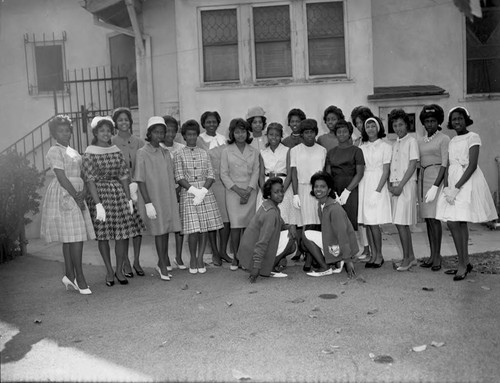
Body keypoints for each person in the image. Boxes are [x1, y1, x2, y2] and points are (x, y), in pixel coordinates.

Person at [436, 107, 498, 281]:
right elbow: (448, 165)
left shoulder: (473, 137)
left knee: (459, 220)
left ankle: (463, 264)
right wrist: (447, 187)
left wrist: (457, 188)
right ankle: (464, 261)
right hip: (453, 180)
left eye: (460, 118)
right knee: (453, 221)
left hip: (467, 181)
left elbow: (472, 165)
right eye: (454, 119)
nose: (457, 122)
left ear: (466, 119)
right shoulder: (452, 141)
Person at [82, 116, 145, 287]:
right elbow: (90, 180)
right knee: (103, 236)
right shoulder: (89, 152)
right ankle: (109, 270)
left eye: (108, 131)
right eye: (102, 130)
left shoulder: (116, 150)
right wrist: (97, 204)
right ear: (95, 132)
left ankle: (119, 270)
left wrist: (128, 198)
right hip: (100, 195)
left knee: (122, 235)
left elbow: (124, 175)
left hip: (117, 194)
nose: (105, 133)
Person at [40, 115, 95, 295]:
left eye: (67, 130)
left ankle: (69, 276)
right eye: (60, 131)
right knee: (75, 236)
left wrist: (84, 191)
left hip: (77, 192)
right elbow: (61, 176)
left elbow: (82, 173)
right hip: (65, 192)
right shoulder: (54, 151)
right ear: (54, 133)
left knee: (71, 236)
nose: (65, 133)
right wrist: (76, 197)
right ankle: (79, 277)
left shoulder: (73, 151)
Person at [134, 117, 182, 281]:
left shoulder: (165, 152)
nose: (159, 135)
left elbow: (170, 176)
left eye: (162, 132)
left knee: (165, 231)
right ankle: (162, 263)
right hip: (153, 198)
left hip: (166, 197)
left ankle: (163, 262)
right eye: (156, 132)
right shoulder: (142, 152)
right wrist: (148, 203)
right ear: (149, 133)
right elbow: (140, 179)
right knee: (159, 231)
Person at [174, 119, 224, 274]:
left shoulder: (203, 153)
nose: (191, 137)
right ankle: (193, 259)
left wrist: (202, 191)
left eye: (194, 134)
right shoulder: (178, 154)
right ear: (184, 136)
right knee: (193, 229)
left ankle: (201, 258)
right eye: (188, 135)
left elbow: (210, 174)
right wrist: (194, 191)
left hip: (204, 192)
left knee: (204, 228)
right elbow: (179, 176)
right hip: (189, 194)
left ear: (197, 135)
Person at [238, 178, 297, 283]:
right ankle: (268, 268)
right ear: (269, 195)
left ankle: (268, 265)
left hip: (248, 251)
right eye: (276, 192)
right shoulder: (271, 212)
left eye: (281, 191)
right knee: (290, 238)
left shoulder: (270, 206)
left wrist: (291, 226)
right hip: (252, 253)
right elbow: (262, 241)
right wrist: (256, 266)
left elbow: (282, 224)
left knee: (292, 246)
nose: (280, 194)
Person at [220, 118, 260, 270]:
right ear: (232, 133)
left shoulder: (254, 151)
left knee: (249, 226)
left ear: (247, 133)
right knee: (235, 226)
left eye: (243, 131)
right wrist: (239, 191)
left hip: (250, 191)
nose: (240, 134)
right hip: (233, 192)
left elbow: (256, 171)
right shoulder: (226, 151)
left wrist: (248, 191)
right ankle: (236, 257)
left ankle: (246, 256)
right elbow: (223, 174)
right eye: (237, 132)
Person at [302, 172, 358, 278]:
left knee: (306, 235)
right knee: (307, 237)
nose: (318, 189)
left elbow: (343, 235)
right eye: (316, 186)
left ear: (329, 190)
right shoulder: (322, 205)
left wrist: (348, 260)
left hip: (341, 245)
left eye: (322, 187)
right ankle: (337, 260)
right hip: (335, 244)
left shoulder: (334, 208)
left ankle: (325, 268)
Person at [111, 107, 145, 277]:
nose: (123, 122)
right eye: (120, 120)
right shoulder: (111, 142)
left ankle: (137, 260)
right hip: (119, 188)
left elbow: (143, 165)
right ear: (115, 123)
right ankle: (124, 262)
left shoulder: (139, 142)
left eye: (126, 119)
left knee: (137, 226)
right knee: (124, 227)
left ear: (131, 122)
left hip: (137, 186)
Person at [290, 119, 327, 271]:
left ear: (315, 132)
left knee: (317, 225)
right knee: (304, 226)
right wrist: (295, 194)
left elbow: (324, 174)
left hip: (317, 191)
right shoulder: (295, 150)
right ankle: (308, 255)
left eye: (311, 132)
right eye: (306, 132)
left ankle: (313, 257)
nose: (309, 135)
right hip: (302, 190)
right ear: (302, 134)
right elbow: (293, 174)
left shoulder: (322, 150)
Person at [197, 111, 232, 266]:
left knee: (226, 219)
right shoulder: (199, 140)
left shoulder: (223, 139)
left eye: (214, 122)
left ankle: (224, 250)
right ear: (203, 124)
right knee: (212, 219)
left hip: (224, 183)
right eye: (208, 122)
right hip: (208, 184)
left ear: (218, 123)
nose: (211, 124)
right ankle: (215, 253)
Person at [417, 104, 450, 271]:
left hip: (436, 179)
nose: (430, 124)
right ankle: (431, 255)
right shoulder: (421, 140)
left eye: (433, 121)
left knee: (435, 219)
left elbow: (445, 164)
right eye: (427, 121)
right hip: (423, 179)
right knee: (428, 220)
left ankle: (438, 257)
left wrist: (436, 186)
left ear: (438, 122)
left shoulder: (444, 139)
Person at [357, 117, 392, 268]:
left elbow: (386, 171)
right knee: (368, 222)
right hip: (365, 183)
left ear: (378, 128)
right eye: (367, 126)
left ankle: (379, 255)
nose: (370, 129)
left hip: (378, 184)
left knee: (375, 222)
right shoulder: (361, 147)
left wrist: (378, 191)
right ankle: (372, 254)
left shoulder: (386, 146)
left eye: (373, 126)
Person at [387, 109, 419, 271]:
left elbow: (412, 165)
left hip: (406, 185)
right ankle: (410, 257)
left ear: (407, 125)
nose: (398, 128)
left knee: (402, 223)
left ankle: (406, 259)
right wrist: (391, 185)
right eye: (395, 125)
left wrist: (400, 186)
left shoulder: (411, 141)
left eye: (401, 124)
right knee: (400, 223)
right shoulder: (394, 144)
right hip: (396, 186)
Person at [325, 119, 365, 231]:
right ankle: (338, 249)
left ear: (349, 133)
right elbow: (328, 174)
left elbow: (360, 173)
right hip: (335, 189)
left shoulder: (357, 151)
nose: (341, 134)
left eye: (344, 131)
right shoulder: (331, 152)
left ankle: (351, 248)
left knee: (350, 224)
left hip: (351, 189)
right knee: (336, 224)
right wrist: (332, 192)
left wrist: (347, 191)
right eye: (339, 132)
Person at [350, 106, 375, 258]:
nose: (360, 126)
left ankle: (374, 250)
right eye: (357, 123)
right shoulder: (357, 142)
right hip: (359, 182)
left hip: (371, 182)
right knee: (361, 218)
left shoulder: (374, 140)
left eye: (362, 122)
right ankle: (365, 248)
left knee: (371, 219)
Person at [162, 115, 186, 270]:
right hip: (163, 191)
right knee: (164, 226)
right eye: (167, 130)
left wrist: (179, 187)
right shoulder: (157, 148)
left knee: (180, 225)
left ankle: (178, 255)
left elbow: (184, 170)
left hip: (179, 189)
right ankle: (164, 257)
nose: (170, 134)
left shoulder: (181, 148)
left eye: (173, 131)